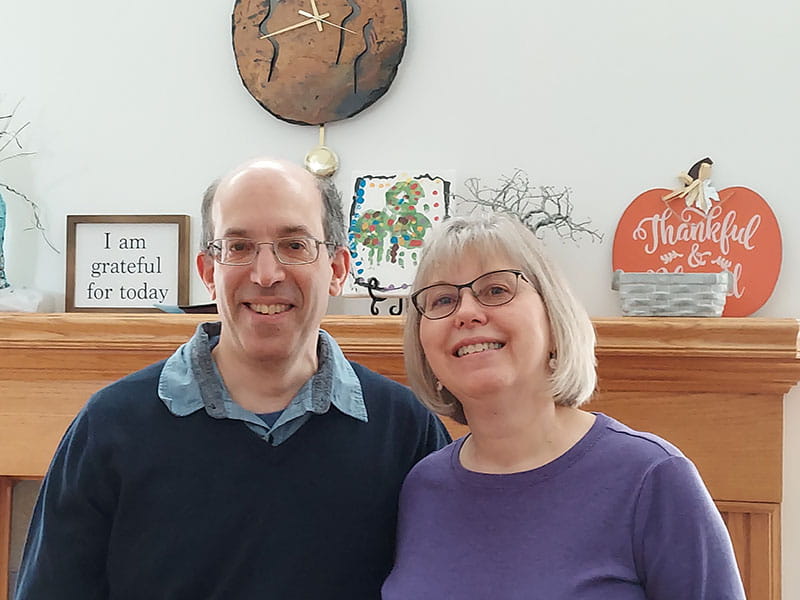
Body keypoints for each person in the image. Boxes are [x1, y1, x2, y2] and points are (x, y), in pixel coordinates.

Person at [16, 158, 450, 599]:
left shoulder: (405, 430)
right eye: (239, 247)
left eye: (294, 245)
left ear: (337, 269)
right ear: (209, 273)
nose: (265, 275)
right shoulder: (109, 427)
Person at [381, 214, 745, 599]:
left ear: (553, 319)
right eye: (443, 299)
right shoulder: (421, 487)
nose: (467, 313)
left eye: (496, 290)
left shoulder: (653, 478)